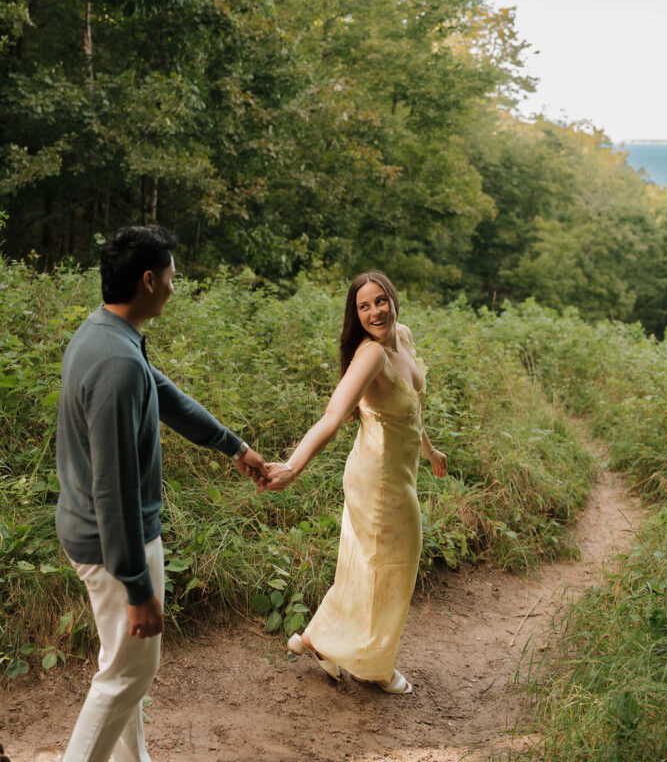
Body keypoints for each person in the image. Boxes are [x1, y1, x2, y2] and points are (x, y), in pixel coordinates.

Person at [56, 225, 267, 762]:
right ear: (149, 280)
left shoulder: (105, 334)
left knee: (123, 666)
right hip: (112, 545)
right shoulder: (116, 363)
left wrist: (233, 446)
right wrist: (135, 584)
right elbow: (115, 485)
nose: (176, 286)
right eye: (172, 277)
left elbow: (164, 393)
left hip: (94, 533)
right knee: (128, 674)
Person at [260, 270, 447, 694]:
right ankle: (375, 664)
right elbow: (332, 415)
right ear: (356, 314)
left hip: (399, 475)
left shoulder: (403, 336)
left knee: (368, 567)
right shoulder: (371, 357)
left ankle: (315, 640)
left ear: (392, 298)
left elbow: (410, 409)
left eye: (380, 300)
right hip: (376, 479)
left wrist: (430, 450)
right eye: (364, 306)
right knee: (392, 569)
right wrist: (292, 466)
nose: (375, 311)